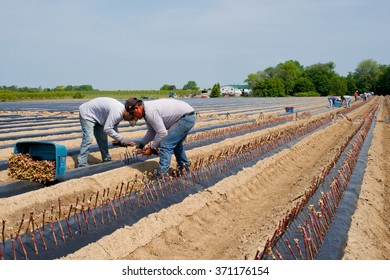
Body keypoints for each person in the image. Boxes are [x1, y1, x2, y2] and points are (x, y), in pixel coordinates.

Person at [125, 97, 196, 178]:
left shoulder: (150, 111)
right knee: (176, 144)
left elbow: (162, 133)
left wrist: (152, 149)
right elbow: (151, 131)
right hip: (187, 115)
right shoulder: (146, 112)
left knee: (165, 145)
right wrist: (141, 144)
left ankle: (161, 177)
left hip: (186, 117)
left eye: (132, 113)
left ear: (137, 108)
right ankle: (184, 168)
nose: (135, 117)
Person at [77, 97, 134, 168]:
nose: (127, 120)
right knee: (88, 138)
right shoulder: (117, 112)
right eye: (129, 119)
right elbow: (107, 129)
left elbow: (114, 128)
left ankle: (106, 158)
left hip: (99, 117)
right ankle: (82, 163)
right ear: (128, 113)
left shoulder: (121, 114)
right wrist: (121, 139)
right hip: (87, 114)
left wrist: (120, 141)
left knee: (103, 139)